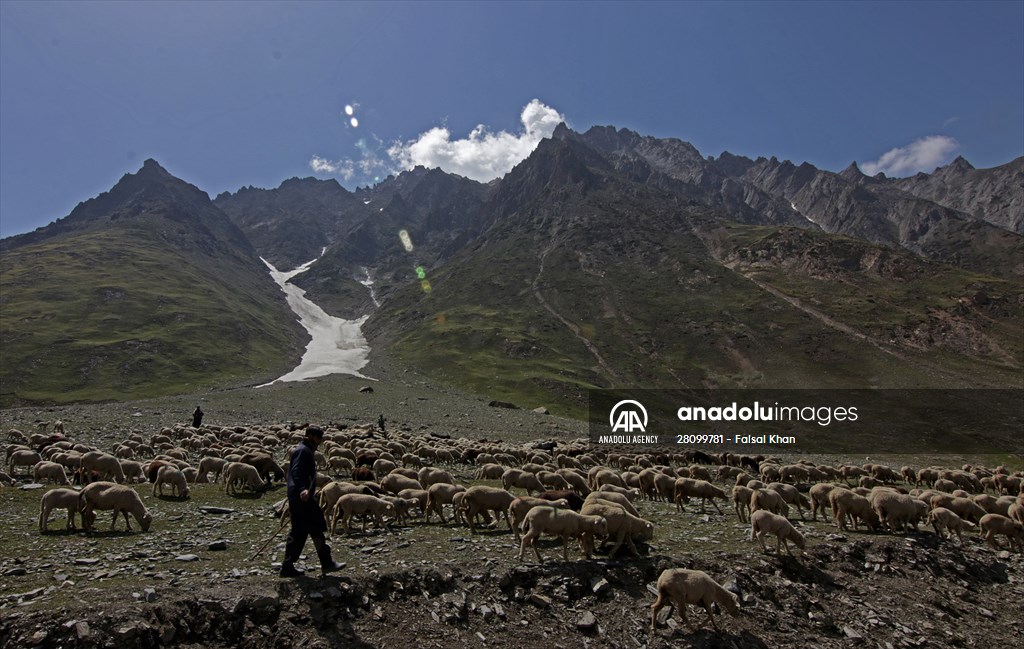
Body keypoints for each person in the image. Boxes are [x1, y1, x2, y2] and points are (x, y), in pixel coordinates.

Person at [281, 425, 343, 577]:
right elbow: (296, 472)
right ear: (310, 436)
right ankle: (288, 566)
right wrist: (302, 488)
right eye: (318, 438)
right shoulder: (303, 451)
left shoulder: (305, 450)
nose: (320, 441)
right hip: (301, 497)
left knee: (315, 526)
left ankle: (326, 563)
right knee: (299, 531)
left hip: (303, 497)